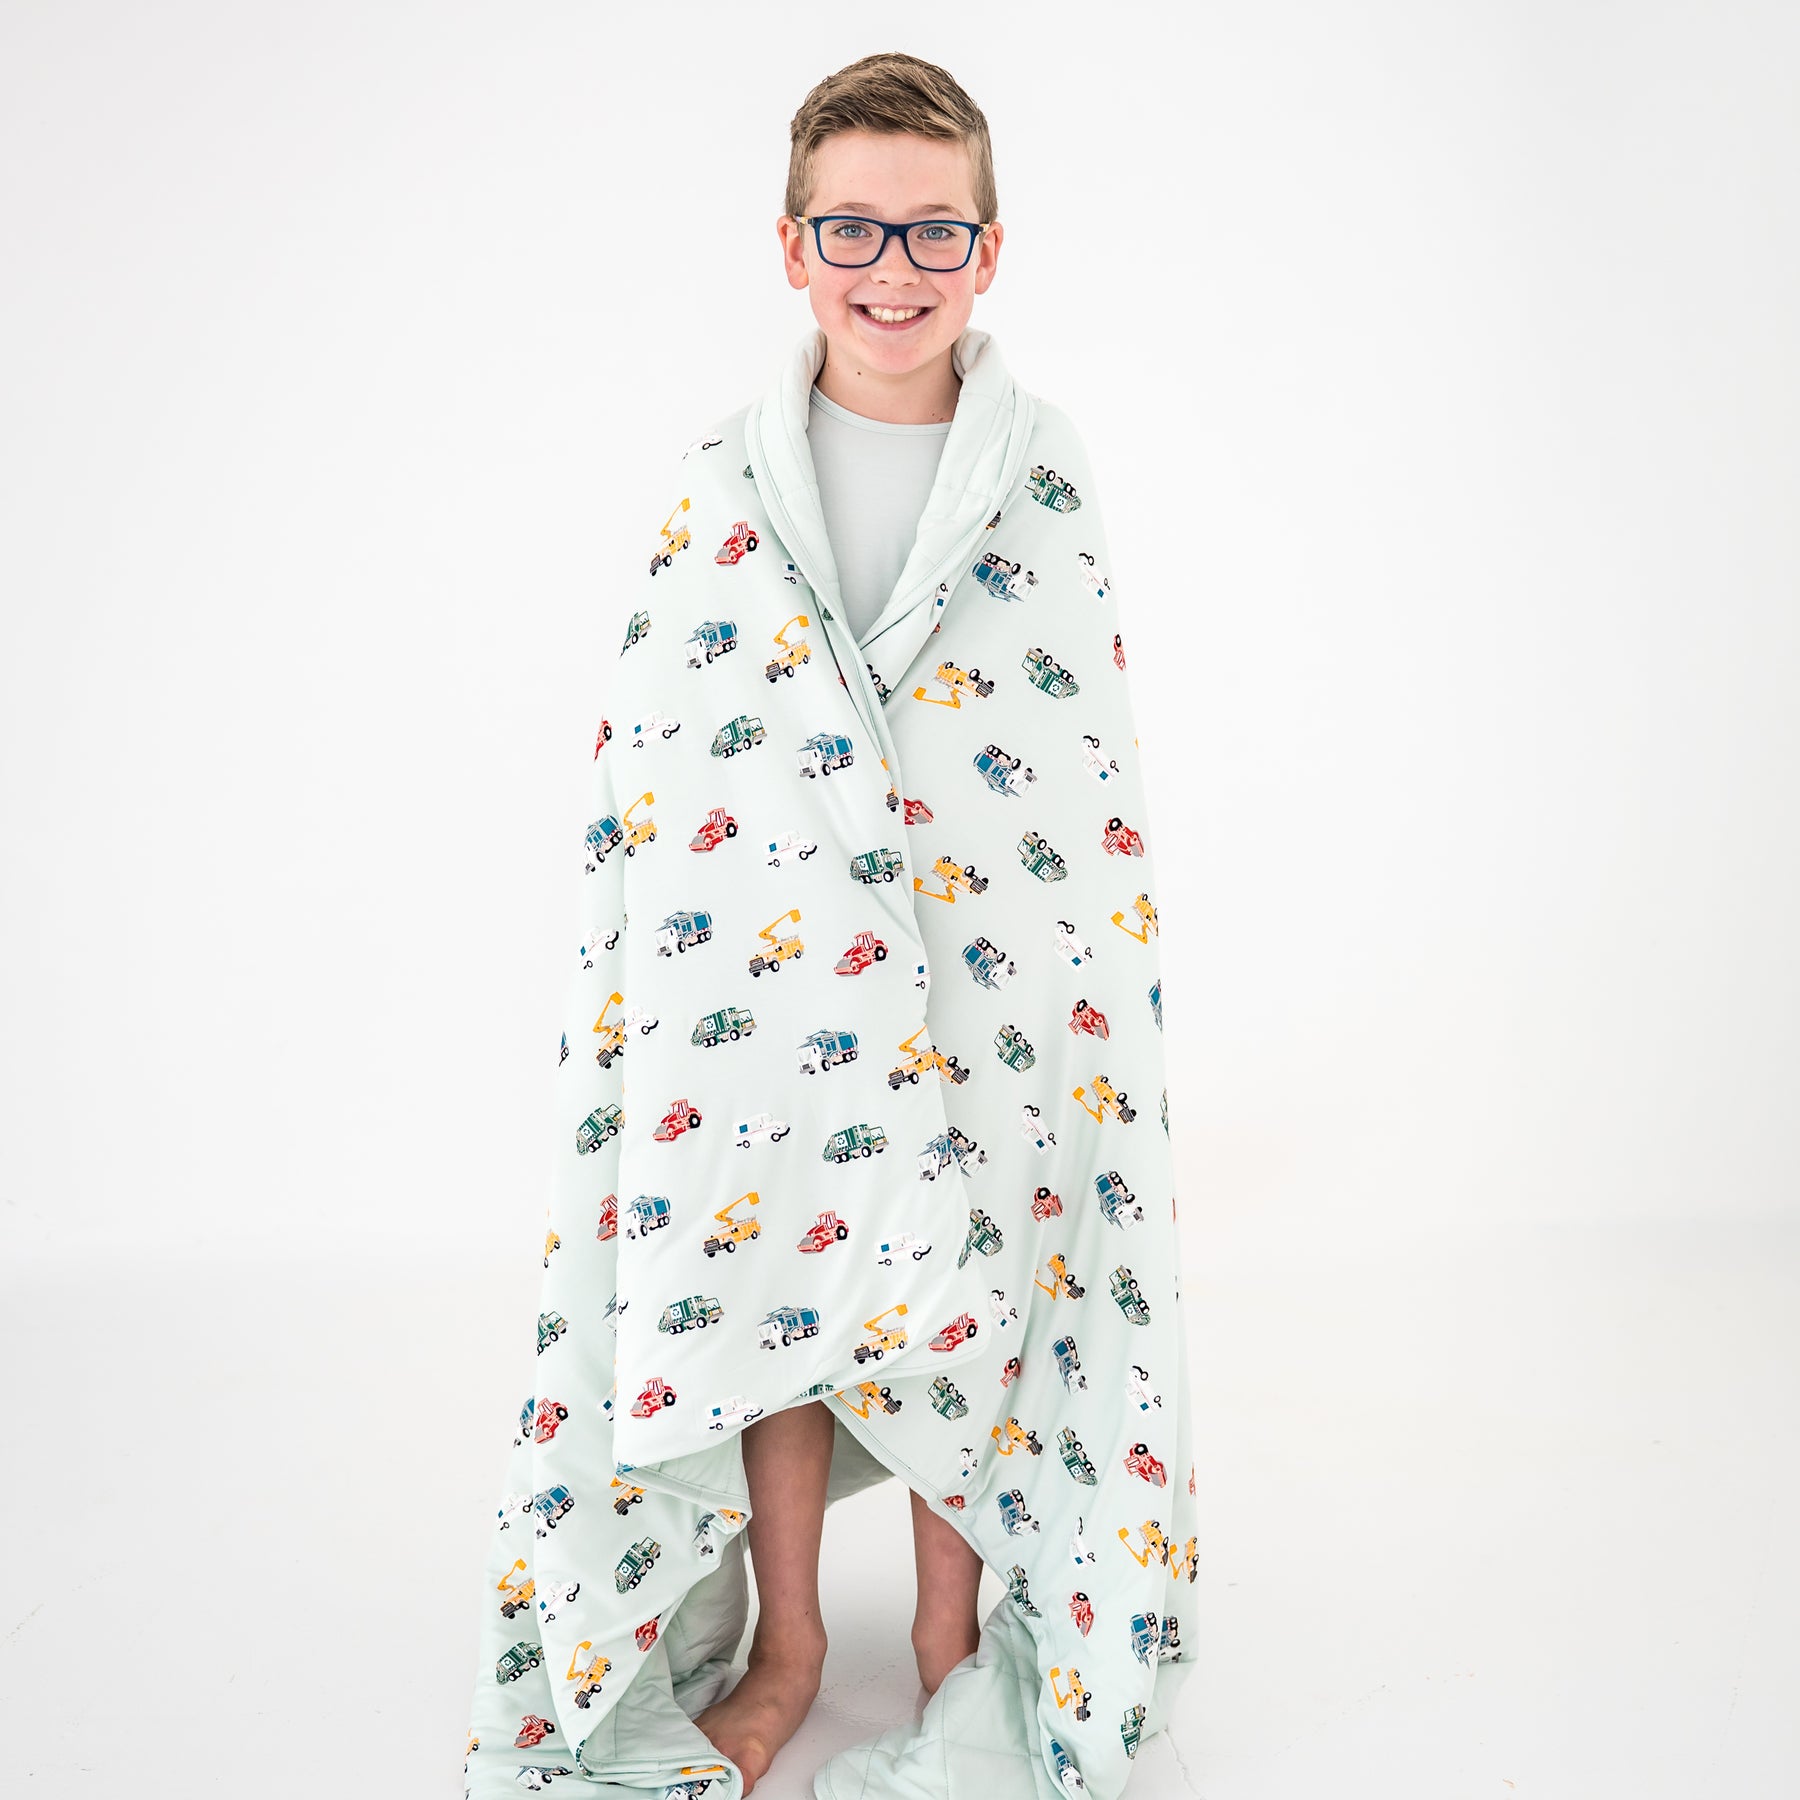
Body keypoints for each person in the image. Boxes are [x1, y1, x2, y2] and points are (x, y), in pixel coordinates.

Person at [464, 47, 1197, 1800]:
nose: (894, 267)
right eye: (853, 227)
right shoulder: (720, 480)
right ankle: (789, 1635)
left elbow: (1067, 760)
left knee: (979, 1269)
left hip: (995, 968)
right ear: (791, 246)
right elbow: (659, 762)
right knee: (770, 1272)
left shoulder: (1048, 471)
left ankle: (955, 1639)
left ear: (990, 252)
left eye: (933, 232)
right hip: (768, 977)